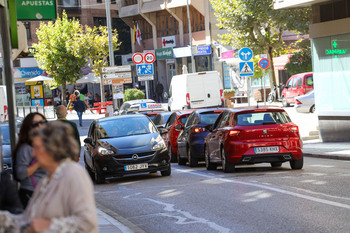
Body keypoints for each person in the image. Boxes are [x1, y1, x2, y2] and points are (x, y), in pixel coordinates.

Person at [0, 121, 98, 233]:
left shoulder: (73, 173)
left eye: (37, 147)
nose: (33, 154)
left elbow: (87, 222)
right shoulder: (46, 180)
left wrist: (49, 225)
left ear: (52, 148)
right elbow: (28, 221)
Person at [11, 112, 48, 208]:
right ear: (28, 128)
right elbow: (20, 174)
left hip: (46, 193)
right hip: (31, 194)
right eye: (35, 124)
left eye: (42, 122)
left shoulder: (48, 144)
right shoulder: (26, 148)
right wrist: (38, 163)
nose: (40, 126)